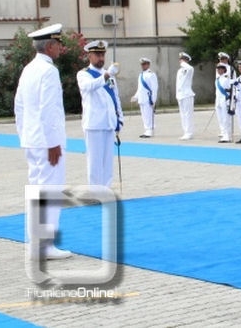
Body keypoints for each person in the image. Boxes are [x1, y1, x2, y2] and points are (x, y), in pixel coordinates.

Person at [14, 24, 71, 260]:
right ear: (49, 46)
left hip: (32, 140)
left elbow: (19, 106)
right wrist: (53, 142)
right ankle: (45, 246)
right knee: (50, 192)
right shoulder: (48, 71)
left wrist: (25, 135)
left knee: (36, 192)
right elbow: (48, 109)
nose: (60, 48)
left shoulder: (29, 69)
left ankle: (35, 244)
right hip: (47, 143)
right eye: (57, 44)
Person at [76, 40, 123, 188]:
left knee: (107, 162)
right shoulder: (84, 74)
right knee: (95, 162)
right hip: (94, 124)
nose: (101, 58)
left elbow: (115, 97)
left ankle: (106, 189)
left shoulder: (108, 74)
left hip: (109, 122)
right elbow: (90, 86)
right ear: (89, 56)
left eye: (103, 55)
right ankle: (95, 191)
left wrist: (119, 118)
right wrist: (107, 75)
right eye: (97, 55)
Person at [131, 57, 158, 138]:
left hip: (148, 98)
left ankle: (150, 130)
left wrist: (153, 100)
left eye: (145, 64)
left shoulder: (151, 74)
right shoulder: (141, 75)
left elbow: (154, 88)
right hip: (142, 98)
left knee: (148, 114)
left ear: (148, 65)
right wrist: (135, 96)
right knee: (144, 115)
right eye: (142, 64)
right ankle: (146, 129)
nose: (143, 66)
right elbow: (140, 88)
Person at [176, 52, 195, 140]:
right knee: (183, 115)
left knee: (188, 114)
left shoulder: (189, 69)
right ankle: (185, 132)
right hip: (180, 95)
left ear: (187, 60)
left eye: (183, 59)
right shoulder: (180, 71)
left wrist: (183, 63)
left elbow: (190, 68)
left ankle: (189, 132)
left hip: (187, 95)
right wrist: (177, 95)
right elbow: (178, 84)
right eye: (180, 59)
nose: (181, 61)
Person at [214, 63, 233, 143]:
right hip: (218, 100)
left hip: (225, 100)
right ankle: (223, 133)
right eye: (218, 69)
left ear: (224, 70)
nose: (219, 70)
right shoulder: (217, 79)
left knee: (226, 118)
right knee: (220, 118)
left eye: (221, 69)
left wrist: (229, 100)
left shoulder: (226, 79)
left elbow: (229, 90)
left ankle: (227, 136)